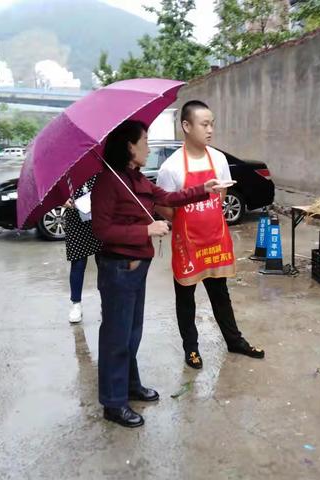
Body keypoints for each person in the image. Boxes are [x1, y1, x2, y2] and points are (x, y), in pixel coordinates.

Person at [91, 120, 226, 428]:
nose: (148, 147)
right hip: (119, 268)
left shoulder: (134, 178)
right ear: (129, 146)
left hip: (137, 267)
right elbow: (102, 229)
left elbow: (167, 197)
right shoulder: (107, 182)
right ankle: (113, 403)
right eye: (145, 141)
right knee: (116, 336)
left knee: (132, 332)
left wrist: (202, 191)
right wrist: (146, 229)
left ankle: (130, 385)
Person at [157, 100, 265, 369]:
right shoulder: (170, 167)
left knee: (220, 294)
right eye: (204, 124)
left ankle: (234, 341)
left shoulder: (218, 159)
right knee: (186, 300)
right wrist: (186, 218)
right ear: (186, 125)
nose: (210, 130)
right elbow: (163, 206)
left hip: (214, 240)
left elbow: (223, 195)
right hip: (187, 244)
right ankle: (191, 349)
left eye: (212, 124)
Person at [63, 176, 102, 324]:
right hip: (75, 221)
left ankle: (106, 301)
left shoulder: (97, 165)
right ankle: (76, 304)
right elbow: (54, 194)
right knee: (78, 264)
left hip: (99, 218)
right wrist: (62, 201)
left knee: (104, 263)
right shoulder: (65, 172)